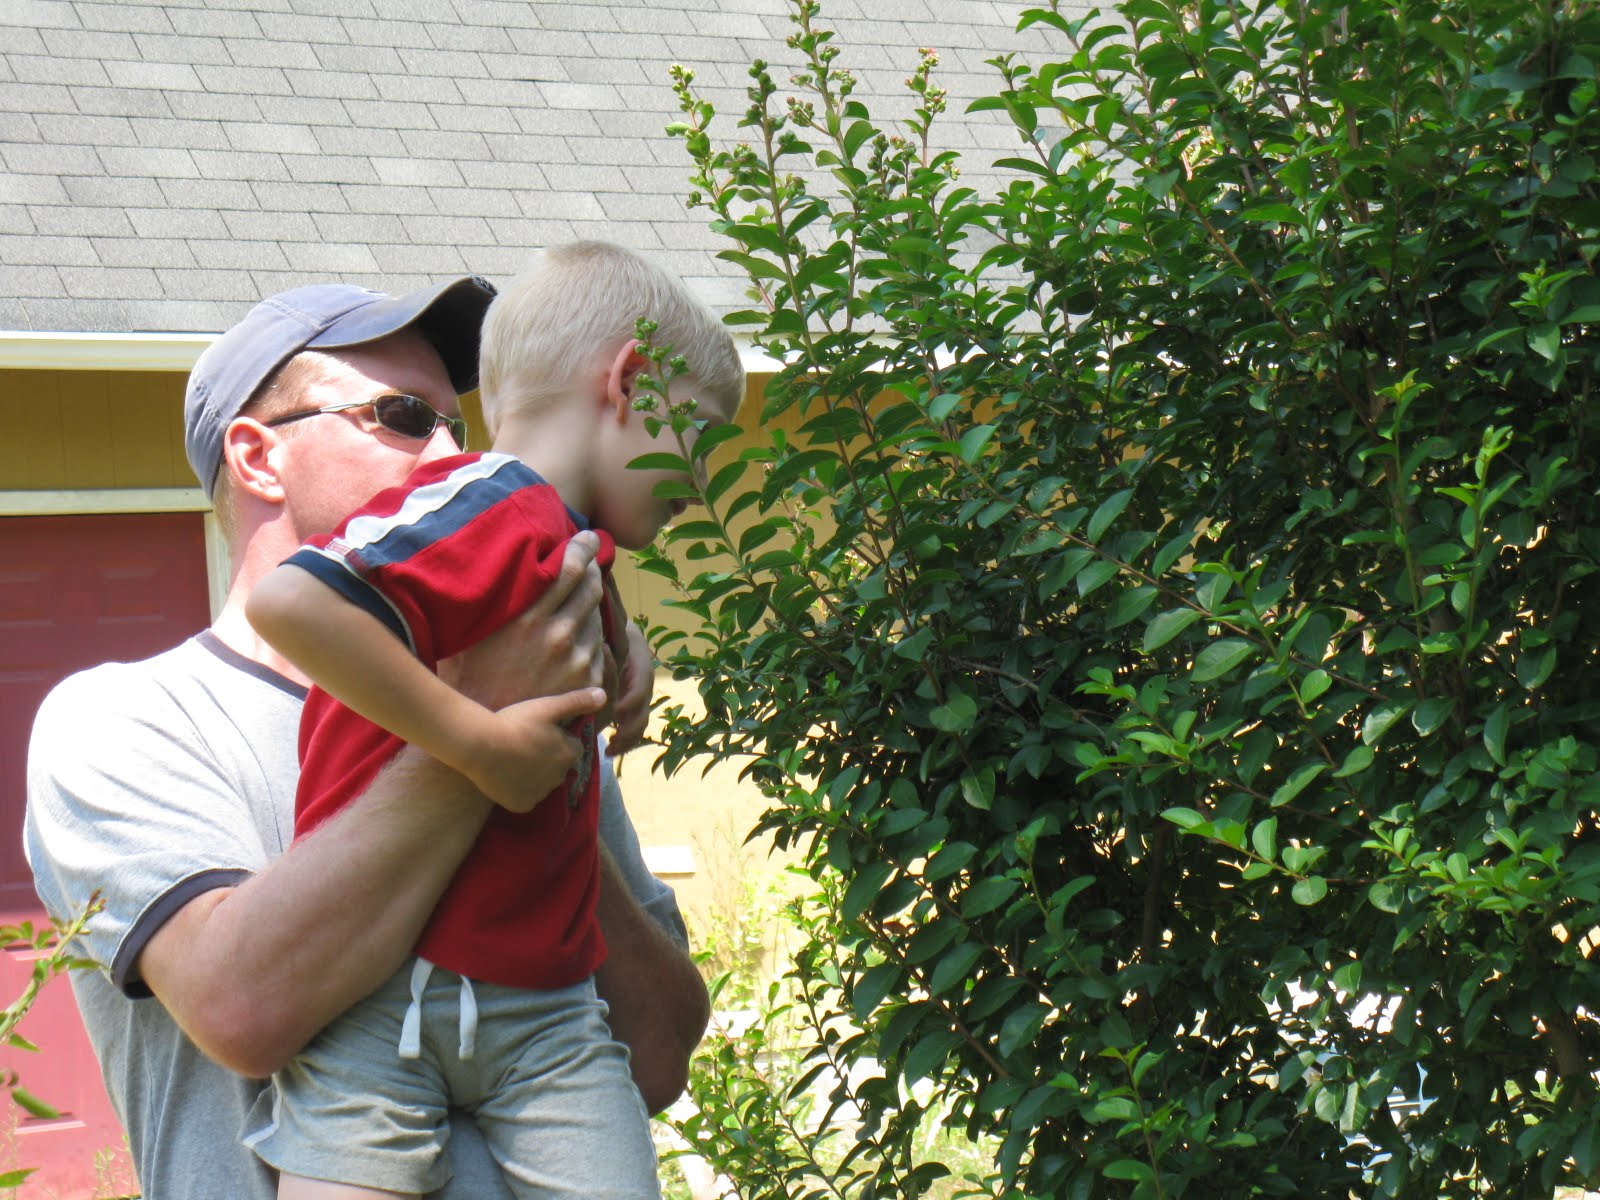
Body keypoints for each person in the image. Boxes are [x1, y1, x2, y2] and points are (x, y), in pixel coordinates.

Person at [24, 269, 711, 1200]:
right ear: (258, 457)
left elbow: (657, 1057)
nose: (453, 453)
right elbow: (244, 1009)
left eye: (459, 424)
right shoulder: (129, 719)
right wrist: (474, 747)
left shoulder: (545, 696)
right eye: (403, 416)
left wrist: (574, 686)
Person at [239, 240, 743, 1198]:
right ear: (631, 383)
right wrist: (482, 747)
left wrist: (626, 639)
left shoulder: (560, 537)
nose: (704, 479)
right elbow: (291, 604)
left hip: (545, 1014)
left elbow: (531, 572)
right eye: (703, 436)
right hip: (379, 1004)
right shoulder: (479, 499)